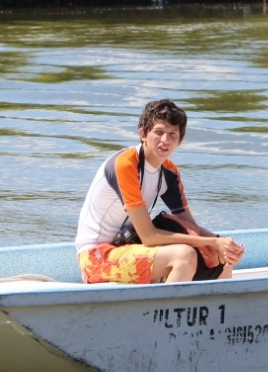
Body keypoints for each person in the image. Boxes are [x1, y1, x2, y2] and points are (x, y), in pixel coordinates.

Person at [75, 99, 244, 284]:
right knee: (184, 255)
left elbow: (191, 228)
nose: (165, 140)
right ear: (143, 134)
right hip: (96, 257)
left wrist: (223, 244)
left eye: (172, 134)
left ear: (180, 140)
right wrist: (212, 242)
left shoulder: (169, 172)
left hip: (129, 247)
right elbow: (149, 236)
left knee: (221, 255)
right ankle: (166, 310)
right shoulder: (125, 164)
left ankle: (213, 308)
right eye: (159, 132)